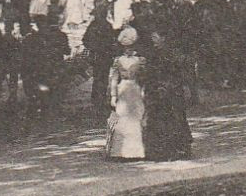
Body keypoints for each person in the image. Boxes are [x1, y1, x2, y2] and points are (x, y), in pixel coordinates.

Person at [143, 29, 193, 159]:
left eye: (156, 36)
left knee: (175, 118)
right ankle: (163, 149)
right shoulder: (154, 54)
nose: (153, 39)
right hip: (159, 91)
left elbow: (179, 73)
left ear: (163, 38)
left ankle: (178, 148)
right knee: (161, 118)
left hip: (171, 90)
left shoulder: (172, 54)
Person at [106, 27, 147, 160]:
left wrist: (144, 91)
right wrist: (113, 95)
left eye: (130, 46)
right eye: (125, 47)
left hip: (135, 89)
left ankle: (136, 151)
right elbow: (113, 79)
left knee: (136, 118)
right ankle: (120, 151)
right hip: (122, 89)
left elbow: (145, 78)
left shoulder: (140, 61)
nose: (127, 49)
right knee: (122, 117)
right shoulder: (118, 61)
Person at [20, 18, 69, 119]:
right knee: (47, 89)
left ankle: (38, 111)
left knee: (39, 89)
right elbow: (66, 51)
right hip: (46, 68)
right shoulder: (54, 37)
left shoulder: (32, 38)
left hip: (38, 68)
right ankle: (46, 111)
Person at [82, 9, 119, 113]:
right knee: (103, 78)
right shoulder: (108, 26)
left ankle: (96, 101)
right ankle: (100, 101)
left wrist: (93, 47)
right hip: (105, 56)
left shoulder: (93, 26)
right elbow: (113, 42)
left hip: (97, 56)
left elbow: (85, 40)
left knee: (97, 78)